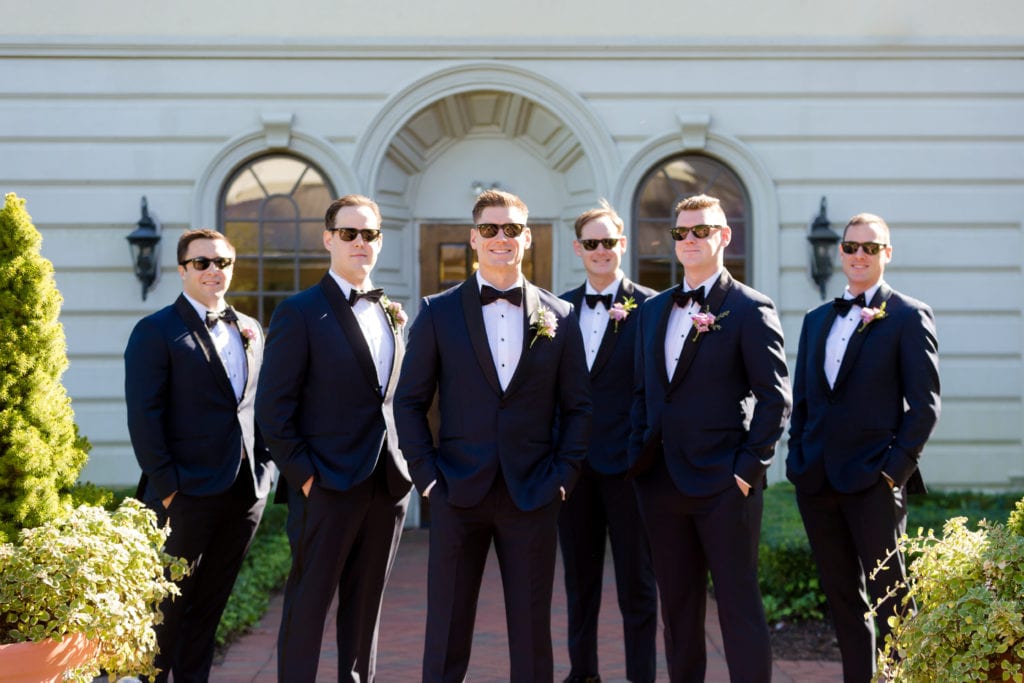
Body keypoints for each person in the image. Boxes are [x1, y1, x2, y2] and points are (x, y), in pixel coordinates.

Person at [394, 189, 592, 683]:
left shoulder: (560, 317)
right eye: (490, 229)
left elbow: (579, 407)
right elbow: (409, 402)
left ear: (526, 238)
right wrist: (428, 478)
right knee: (446, 630)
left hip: (534, 493)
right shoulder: (438, 312)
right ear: (473, 239)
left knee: (531, 634)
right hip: (457, 493)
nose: (500, 238)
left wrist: (563, 477)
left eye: (511, 229)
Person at [628, 194, 791, 683]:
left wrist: (745, 472)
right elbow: (643, 391)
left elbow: (774, 399)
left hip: (725, 486)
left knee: (738, 606)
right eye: (681, 232)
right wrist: (641, 454)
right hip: (661, 484)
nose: (690, 239)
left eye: (701, 230)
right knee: (677, 612)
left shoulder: (749, 308)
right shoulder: (652, 309)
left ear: (725, 235)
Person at [255, 194, 412, 682]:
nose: (360, 242)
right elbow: (273, 409)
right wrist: (306, 478)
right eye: (350, 233)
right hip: (325, 486)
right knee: (308, 606)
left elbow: (392, 400)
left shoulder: (389, 310)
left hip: (386, 486)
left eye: (370, 234)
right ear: (329, 239)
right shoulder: (299, 312)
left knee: (366, 609)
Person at [786, 212, 940, 683]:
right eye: (851, 247)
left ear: (886, 254)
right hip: (817, 482)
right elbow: (806, 400)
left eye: (870, 248)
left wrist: (893, 472)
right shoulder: (816, 320)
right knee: (842, 600)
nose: (858, 255)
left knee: (893, 598)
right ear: (840, 253)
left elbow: (925, 406)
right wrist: (797, 461)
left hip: (875, 481)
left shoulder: (909, 316)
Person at [125, 228, 276, 683]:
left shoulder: (250, 328)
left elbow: (259, 405)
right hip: (184, 494)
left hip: (244, 493)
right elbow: (144, 417)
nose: (214, 270)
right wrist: (169, 489)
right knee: (164, 611)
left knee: (209, 608)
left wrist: (265, 472)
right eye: (202, 263)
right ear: (182, 269)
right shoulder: (155, 331)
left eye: (223, 262)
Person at [557, 201, 658, 683]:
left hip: (630, 470)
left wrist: (645, 456)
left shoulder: (653, 308)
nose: (601, 251)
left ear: (623, 245)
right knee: (580, 587)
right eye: (591, 243)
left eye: (609, 242)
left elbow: (659, 389)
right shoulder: (555, 311)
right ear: (579, 248)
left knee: (638, 588)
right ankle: (584, 675)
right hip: (574, 473)